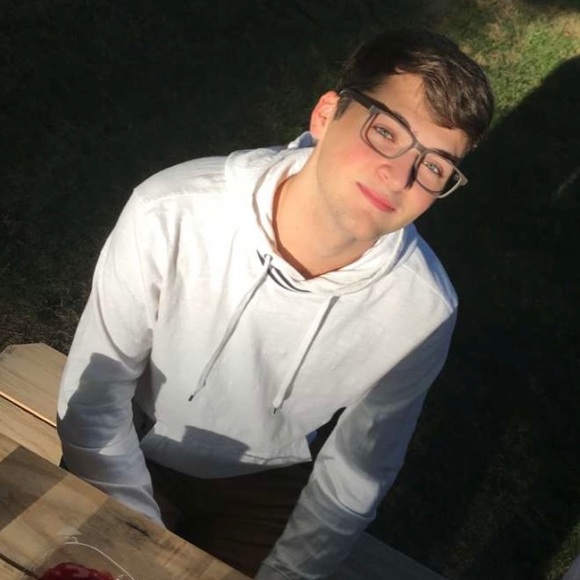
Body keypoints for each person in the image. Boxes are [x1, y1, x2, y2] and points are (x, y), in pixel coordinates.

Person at [57, 28, 494, 579]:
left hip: (265, 482)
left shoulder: (422, 312)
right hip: (133, 439)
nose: (399, 175)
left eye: (433, 166)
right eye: (386, 132)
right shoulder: (172, 211)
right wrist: (140, 541)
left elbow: (355, 474)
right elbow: (96, 399)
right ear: (327, 114)